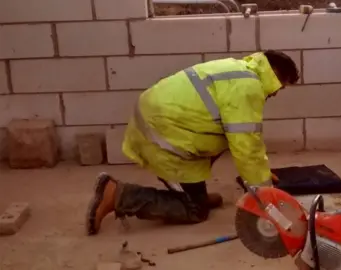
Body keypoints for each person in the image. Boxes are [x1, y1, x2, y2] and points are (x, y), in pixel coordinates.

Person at [86, 50, 299, 235]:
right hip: (165, 134)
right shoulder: (248, 88)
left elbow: (244, 141)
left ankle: (196, 194)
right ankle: (118, 195)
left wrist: (260, 172)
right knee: (195, 211)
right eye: (282, 87)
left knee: (223, 139)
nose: (278, 93)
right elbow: (247, 147)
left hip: (165, 122)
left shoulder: (240, 71)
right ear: (276, 77)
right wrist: (264, 191)